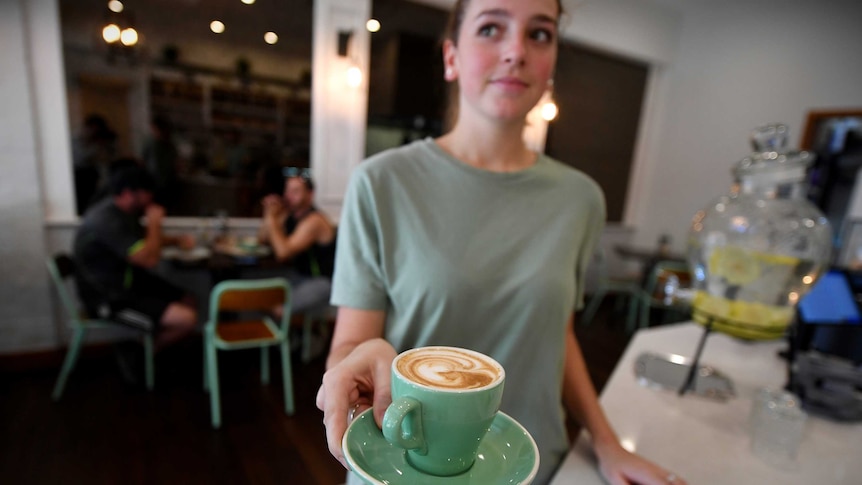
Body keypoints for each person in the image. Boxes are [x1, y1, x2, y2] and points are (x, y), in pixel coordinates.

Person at [315, 1, 687, 484]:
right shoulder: (381, 183)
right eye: (491, 28)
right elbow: (352, 340)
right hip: (406, 465)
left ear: (552, 60)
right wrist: (349, 370)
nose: (516, 51)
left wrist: (606, 442)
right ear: (451, 57)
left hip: (532, 463)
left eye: (539, 34)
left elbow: (558, 335)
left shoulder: (580, 199)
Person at [73, 166, 197, 350]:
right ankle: (141, 355)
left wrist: (175, 240)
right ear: (129, 193)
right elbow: (149, 260)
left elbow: (143, 244)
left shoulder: (122, 213)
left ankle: (149, 354)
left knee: (188, 299)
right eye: (147, 193)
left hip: (128, 283)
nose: (151, 198)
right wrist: (154, 222)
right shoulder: (107, 220)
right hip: (108, 298)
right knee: (187, 319)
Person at [258, 170, 337, 316]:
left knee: (278, 309)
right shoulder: (290, 215)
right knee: (262, 296)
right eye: (287, 191)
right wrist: (269, 214)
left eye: (295, 191)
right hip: (300, 276)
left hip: (322, 282)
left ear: (310, 194)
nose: (289, 196)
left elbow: (283, 253)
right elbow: (262, 240)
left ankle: (289, 336)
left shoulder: (314, 221)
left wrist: (271, 219)